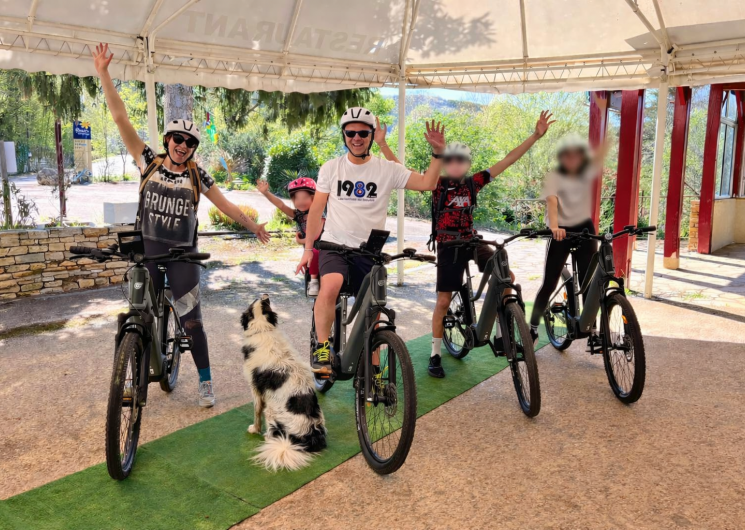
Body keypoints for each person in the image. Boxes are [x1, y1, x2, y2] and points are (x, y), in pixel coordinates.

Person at [92, 43, 271, 407]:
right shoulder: (148, 161)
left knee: (191, 320)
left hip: (183, 256)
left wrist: (252, 227)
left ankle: (205, 380)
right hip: (147, 251)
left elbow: (226, 205)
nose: (183, 145)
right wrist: (104, 73)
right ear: (167, 140)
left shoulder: (197, 174)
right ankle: (129, 375)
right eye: (178, 139)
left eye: (190, 142)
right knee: (135, 315)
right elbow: (120, 118)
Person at [378, 112, 555, 377]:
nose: (455, 163)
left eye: (461, 159)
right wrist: (382, 144)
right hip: (448, 244)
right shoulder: (436, 184)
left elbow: (508, 160)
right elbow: (400, 169)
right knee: (443, 301)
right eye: (450, 159)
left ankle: (500, 335)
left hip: (472, 240)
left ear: (468, 163)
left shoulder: (474, 182)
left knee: (506, 277)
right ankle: (435, 354)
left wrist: (535, 136)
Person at [296, 107, 446, 374]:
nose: (356, 138)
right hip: (334, 245)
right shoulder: (331, 168)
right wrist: (308, 248)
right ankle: (322, 347)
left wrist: (437, 154)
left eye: (363, 133)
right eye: (351, 132)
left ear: (371, 135)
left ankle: (373, 371)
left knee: (373, 311)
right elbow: (317, 209)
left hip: (368, 251)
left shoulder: (387, 169)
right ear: (344, 135)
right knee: (331, 286)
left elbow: (427, 183)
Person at [529, 129, 610, 350]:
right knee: (550, 282)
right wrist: (555, 227)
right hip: (560, 229)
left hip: (583, 227)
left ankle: (592, 330)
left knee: (588, 282)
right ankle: (533, 328)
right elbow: (552, 201)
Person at [257, 175, 325, 295]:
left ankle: (315, 282)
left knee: (315, 255)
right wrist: (266, 193)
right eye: (296, 199)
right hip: (308, 254)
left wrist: (301, 241)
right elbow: (281, 205)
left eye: (305, 198)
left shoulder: (320, 214)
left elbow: (316, 236)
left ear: (314, 198)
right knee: (314, 291)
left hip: (323, 251)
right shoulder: (298, 215)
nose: (300, 202)